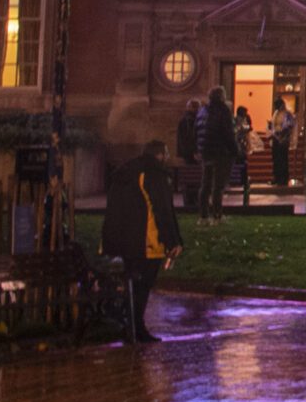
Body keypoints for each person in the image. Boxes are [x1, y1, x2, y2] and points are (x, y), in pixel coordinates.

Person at [103, 139, 183, 344]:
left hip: (124, 240)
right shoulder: (154, 175)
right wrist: (173, 241)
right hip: (146, 240)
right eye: (166, 154)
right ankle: (136, 327)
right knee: (143, 286)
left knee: (133, 284)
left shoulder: (126, 171)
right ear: (161, 155)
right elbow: (162, 210)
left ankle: (130, 325)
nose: (167, 158)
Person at [196, 87, 240, 225]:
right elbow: (227, 133)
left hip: (206, 151)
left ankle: (203, 216)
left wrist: (199, 149)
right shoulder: (223, 110)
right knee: (218, 186)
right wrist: (235, 150)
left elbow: (196, 130)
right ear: (221, 97)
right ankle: (217, 215)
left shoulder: (202, 111)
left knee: (205, 185)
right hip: (220, 152)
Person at [267, 97, 296, 189]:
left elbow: (290, 125)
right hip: (276, 138)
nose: (276, 108)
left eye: (277, 106)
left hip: (283, 139)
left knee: (283, 159)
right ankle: (276, 177)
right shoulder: (276, 113)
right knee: (276, 159)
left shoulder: (288, 114)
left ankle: (283, 178)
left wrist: (281, 133)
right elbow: (273, 125)